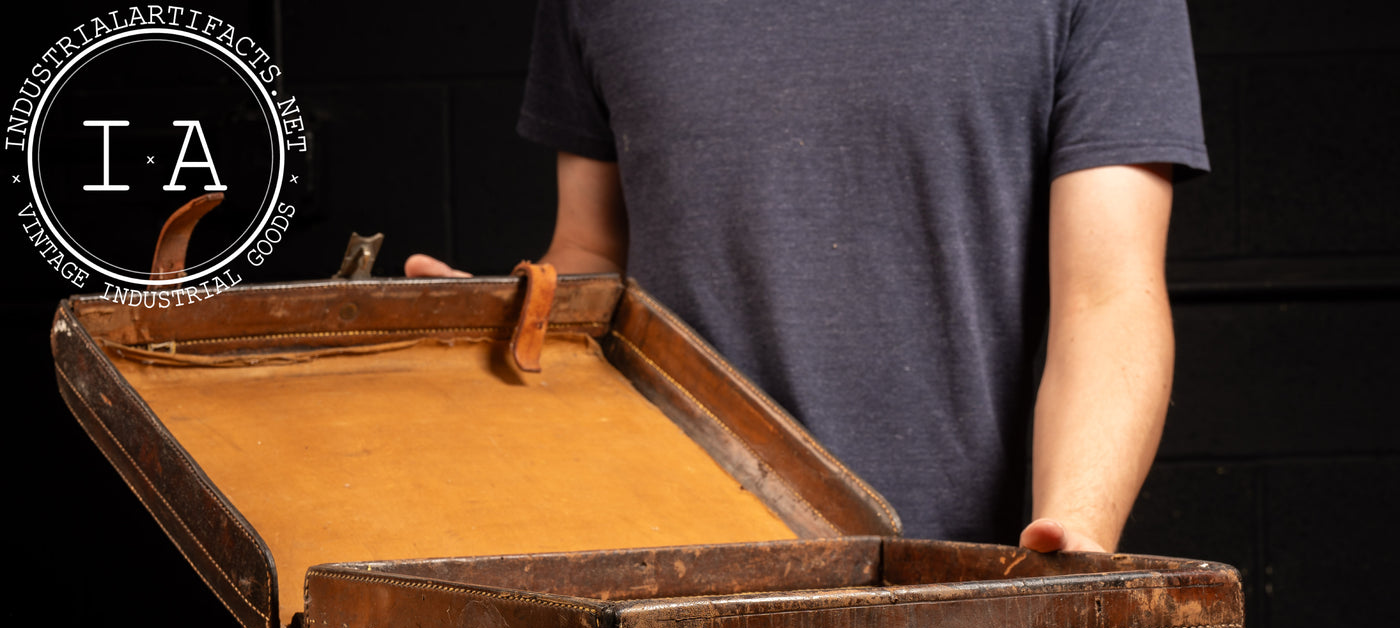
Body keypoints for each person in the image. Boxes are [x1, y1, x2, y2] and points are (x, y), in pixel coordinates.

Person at [408, 0, 1208, 553]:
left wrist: (1074, 532)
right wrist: (490, 338)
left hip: (953, 613)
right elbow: (591, 252)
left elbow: (1106, 296)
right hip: (663, 603)